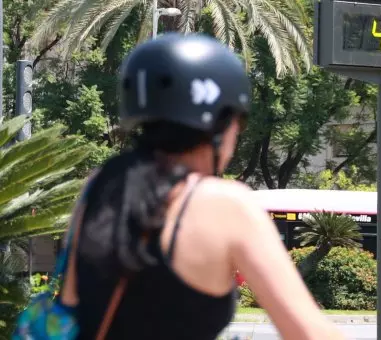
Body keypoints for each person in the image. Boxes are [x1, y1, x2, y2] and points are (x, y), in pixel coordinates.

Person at [57, 33, 345, 340]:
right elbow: (309, 333)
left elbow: (70, 302)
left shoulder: (101, 184)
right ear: (221, 123)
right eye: (240, 123)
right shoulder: (226, 204)